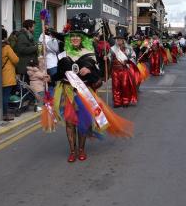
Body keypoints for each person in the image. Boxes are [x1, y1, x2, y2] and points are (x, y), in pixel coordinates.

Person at [52, 13, 133, 162]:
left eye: (78, 36)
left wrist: (89, 71)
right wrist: (48, 77)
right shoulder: (63, 54)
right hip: (67, 91)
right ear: (69, 38)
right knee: (70, 123)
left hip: (84, 92)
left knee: (83, 122)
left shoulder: (90, 53)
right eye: (72, 36)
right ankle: (72, 151)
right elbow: (58, 74)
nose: (75, 38)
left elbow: (98, 76)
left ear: (83, 38)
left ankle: (81, 150)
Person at [0, 29, 19, 121]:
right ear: (5, 37)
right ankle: (4, 114)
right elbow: (15, 60)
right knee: (5, 95)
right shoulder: (6, 47)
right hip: (6, 74)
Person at [108, 27, 138, 108]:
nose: (118, 41)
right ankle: (117, 102)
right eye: (117, 39)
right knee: (116, 86)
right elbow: (109, 57)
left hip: (124, 70)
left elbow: (133, 56)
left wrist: (127, 61)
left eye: (120, 39)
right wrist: (106, 57)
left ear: (123, 40)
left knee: (125, 86)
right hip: (115, 70)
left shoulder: (128, 48)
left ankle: (125, 101)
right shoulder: (112, 49)